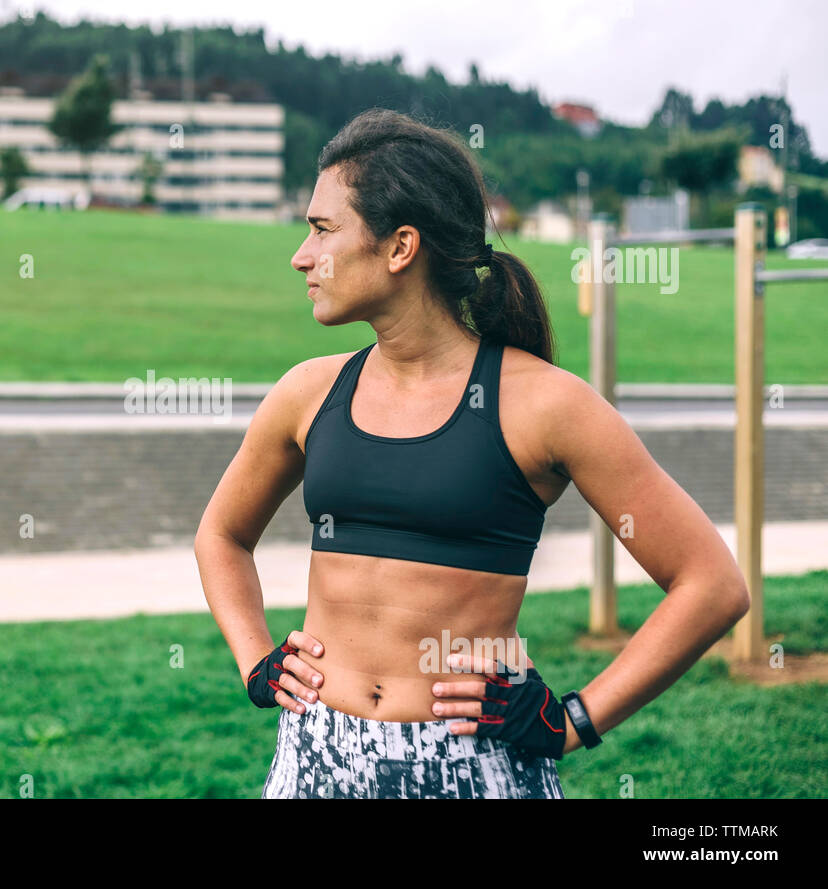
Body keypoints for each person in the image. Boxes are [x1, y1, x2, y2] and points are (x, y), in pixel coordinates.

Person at [193, 108, 750, 799]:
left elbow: (712, 584)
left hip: (472, 765)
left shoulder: (546, 404)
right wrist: (256, 660)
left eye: (322, 229)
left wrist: (574, 718)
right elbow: (221, 534)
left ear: (400, 248)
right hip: (315, 756)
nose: (301, 256)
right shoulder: (307, 393)